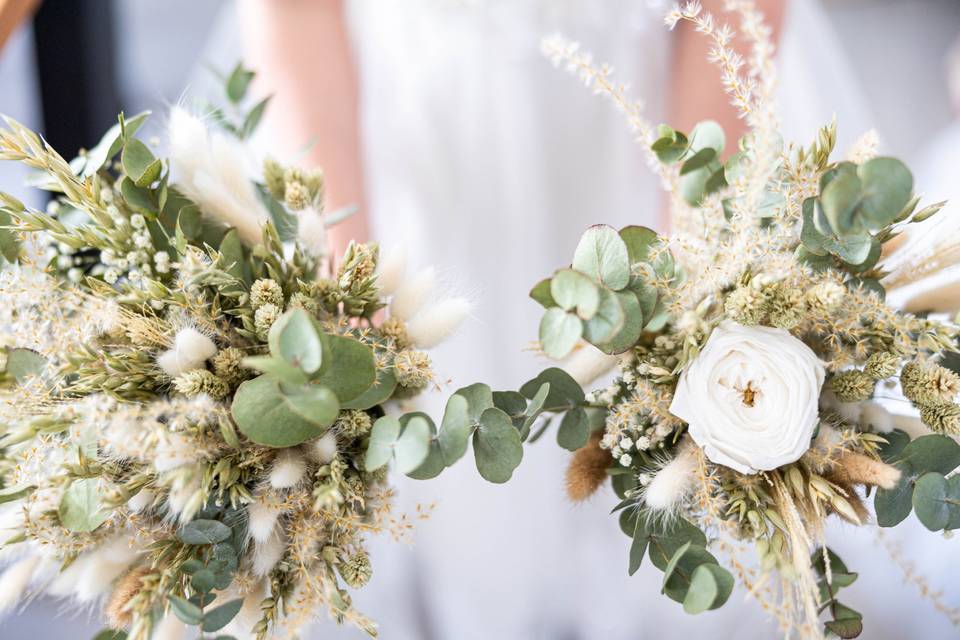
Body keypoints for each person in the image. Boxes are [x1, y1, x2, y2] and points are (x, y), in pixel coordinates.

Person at [236, 2, 918, 638]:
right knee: (453, 495)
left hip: (654, 145)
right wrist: (345, 275)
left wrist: (693, 260)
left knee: (673, 484)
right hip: (406, 159)